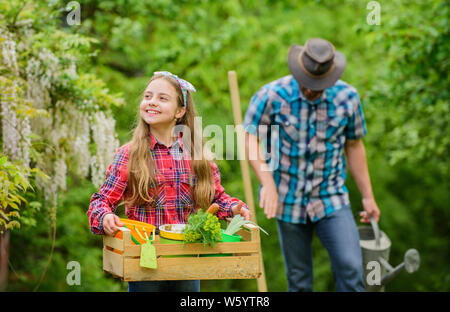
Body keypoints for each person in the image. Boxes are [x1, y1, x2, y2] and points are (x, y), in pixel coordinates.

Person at [87, 71, 250, 292]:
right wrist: (104, 216)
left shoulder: (197, 155)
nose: (152, 102)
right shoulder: (130, 155)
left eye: (162, 98)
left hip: (188, 258)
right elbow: (100, 201)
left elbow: (217, 198)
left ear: (180, 111)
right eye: (148, 96)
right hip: (145, 262)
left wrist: (233, 208)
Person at [243, 38, 380, 292]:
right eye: (306, 84)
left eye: (318, 86)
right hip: (287, 197)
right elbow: (250, 137)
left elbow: (354, 146)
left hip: (331, 197)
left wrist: (368, 197)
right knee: (299, 280)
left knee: (351, 268)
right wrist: (268, 183)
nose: (311, 90)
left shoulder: (347, 97)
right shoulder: (272, 95)